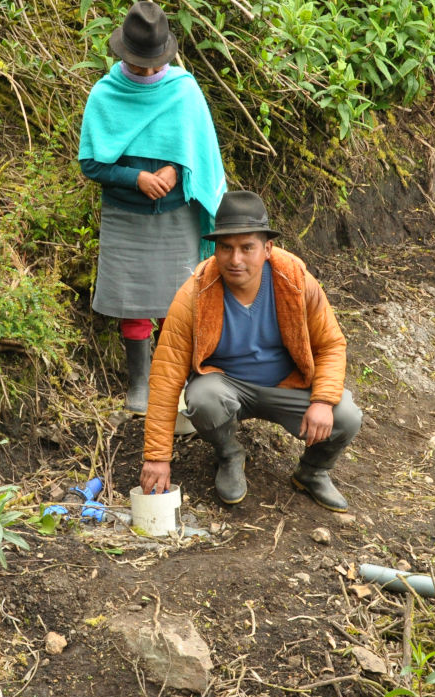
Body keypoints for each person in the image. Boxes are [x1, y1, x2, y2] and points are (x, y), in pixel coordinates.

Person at [140, 191, 363, 511]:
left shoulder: (295, 280)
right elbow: (167, 372)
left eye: (247, 247)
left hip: (287, 384)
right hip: (226, 386)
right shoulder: (196, 292)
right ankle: (229, 455)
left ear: (267, 249)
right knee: (202, 399)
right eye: (226, 247)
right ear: (215, 249)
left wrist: (323, 401)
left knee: (346, 416)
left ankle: (313, 471)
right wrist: (157, 457)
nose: (235, 259)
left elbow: (330, 344)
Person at [78, 0, 227, 414]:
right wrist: (137, 178)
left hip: (176, 215)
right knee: (134, 303)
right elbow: (91, 163)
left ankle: (173, 380)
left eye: (152, 66)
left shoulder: (184, 91)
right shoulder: (106, 94)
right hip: (126, 215)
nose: (145, 73)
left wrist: (176, 171)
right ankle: (139, 384)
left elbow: (199, 150)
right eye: (137, 65)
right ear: (122, 54)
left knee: (177, 303)